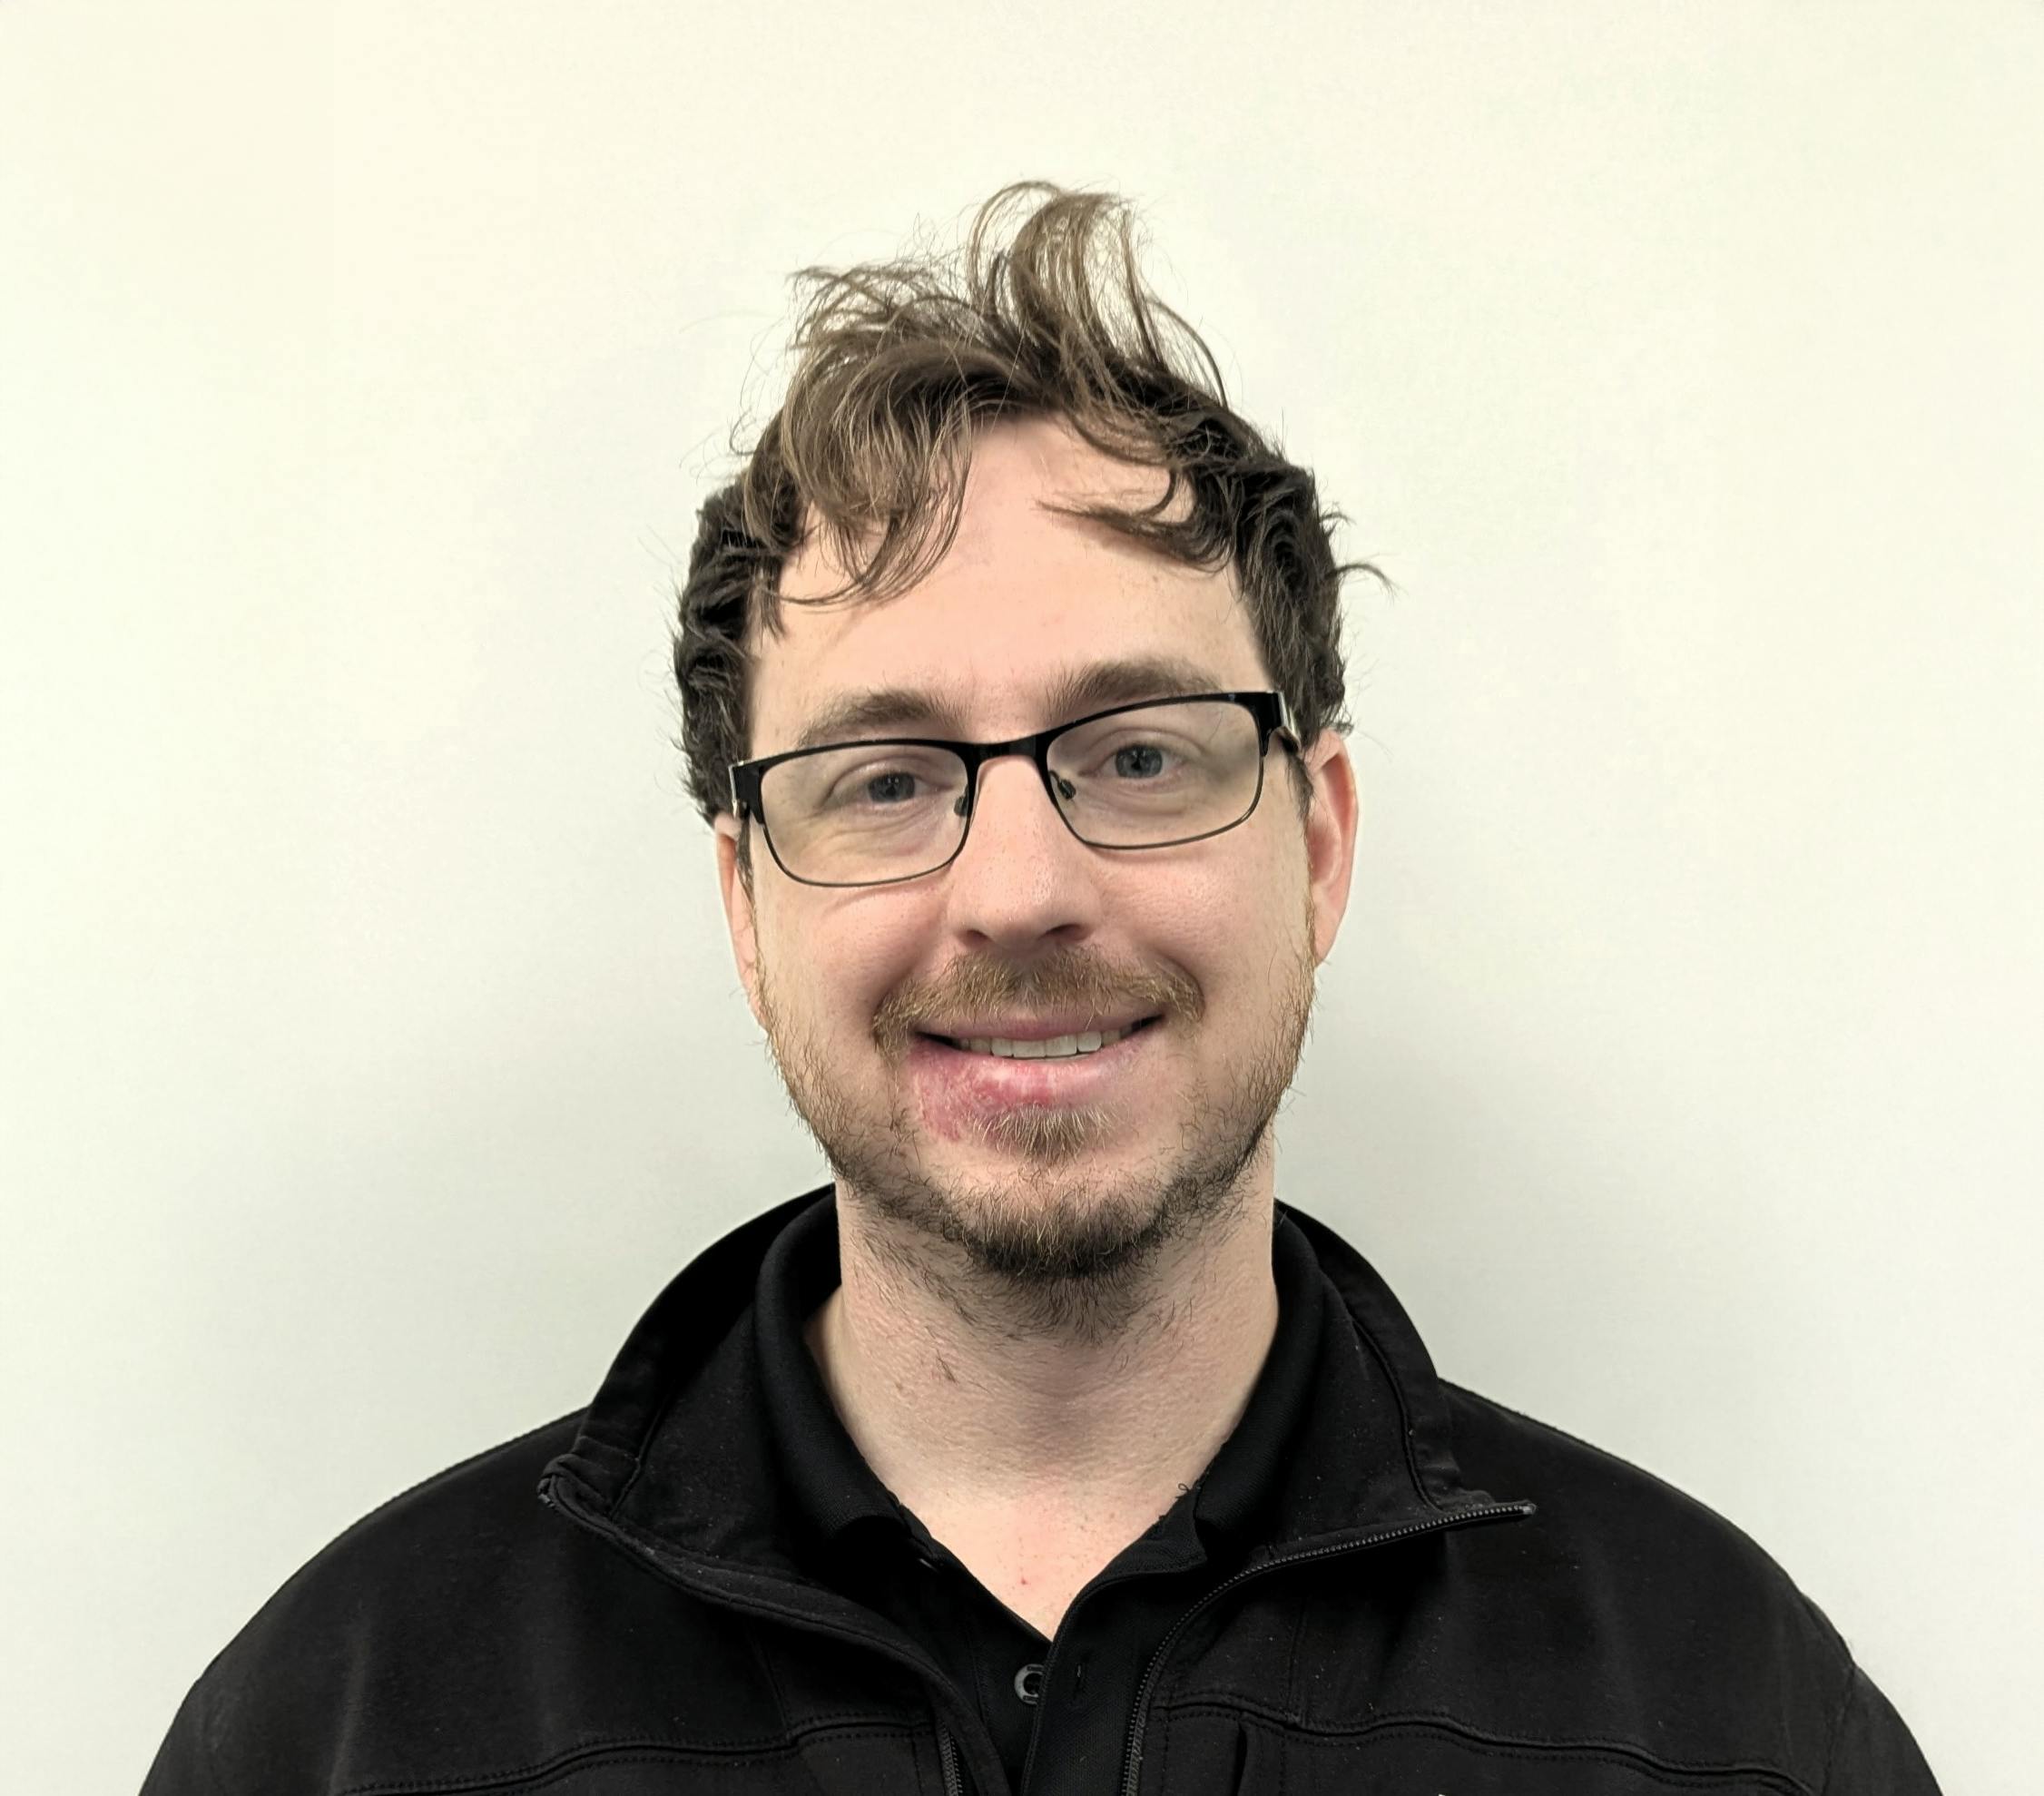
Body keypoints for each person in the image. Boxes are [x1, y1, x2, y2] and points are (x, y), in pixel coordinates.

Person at [144, 182, 1941, 1795]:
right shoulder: (344, 1731)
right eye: (884, 779)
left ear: (1317, 843)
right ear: (745, 902)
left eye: (1141, 755)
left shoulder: (1726, 1723)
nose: (1018, 892)